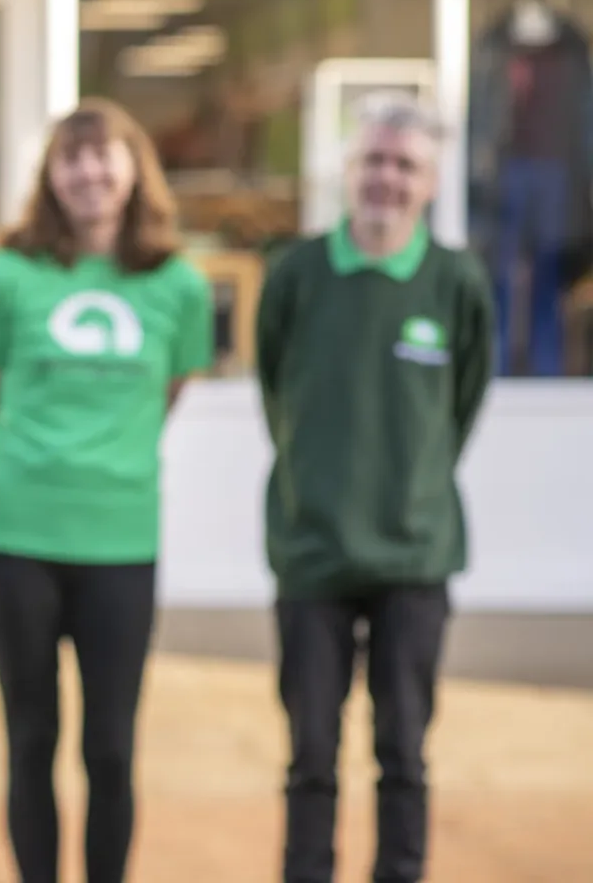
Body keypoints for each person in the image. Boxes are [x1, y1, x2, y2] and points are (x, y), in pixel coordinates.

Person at [0, 99, 214, 883]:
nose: (89, 173)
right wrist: (44, 463)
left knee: (110, 744)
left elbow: (168, 391)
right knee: (31, 737)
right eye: (72, 159)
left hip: (121, 540)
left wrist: (107, 459)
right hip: (17, 536)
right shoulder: (5, 274)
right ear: (51, 176)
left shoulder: (178, 285)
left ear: (135, 170)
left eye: (104, 156)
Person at [254, 92, 495, 883]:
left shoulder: (456, 282)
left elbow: (461, 403)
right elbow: (276, 390)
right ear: (347, 172)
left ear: (429, 184)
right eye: (374, 162)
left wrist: (408, 480)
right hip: (311, 550)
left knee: (403, 754)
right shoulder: (296, 274)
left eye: (405, 165)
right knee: (312, 757)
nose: (386, 178)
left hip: (415, 555)